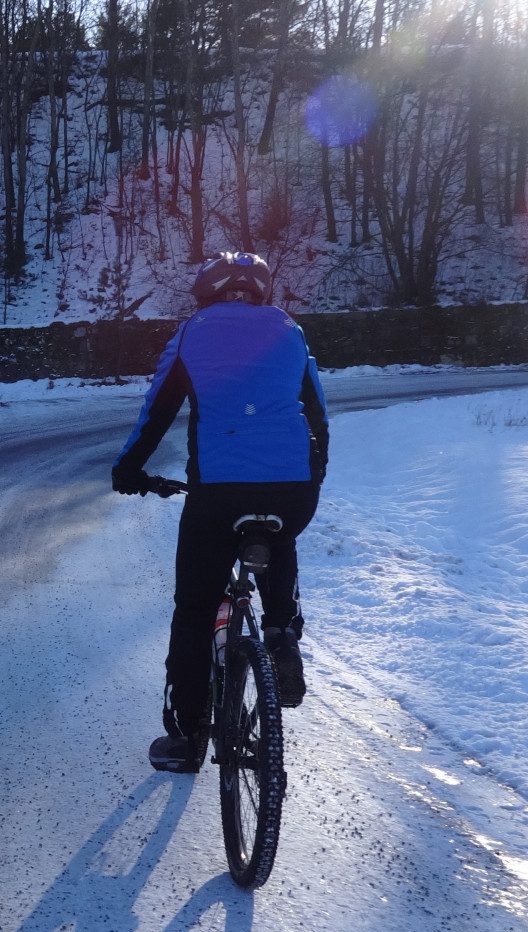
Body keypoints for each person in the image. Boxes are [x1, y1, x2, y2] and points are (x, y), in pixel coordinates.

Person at [110, 252, 329, 773]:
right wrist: (312, 476)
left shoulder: (193, 332)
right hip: (292, 487)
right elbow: (318, 415)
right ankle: (281, 633)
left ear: (206, 294)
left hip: (218, 493)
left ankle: (186, 739)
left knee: (194, 611)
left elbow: (157, 411)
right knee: (279, 535)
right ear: (261, 292)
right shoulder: (290, 330)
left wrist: (129, 470)